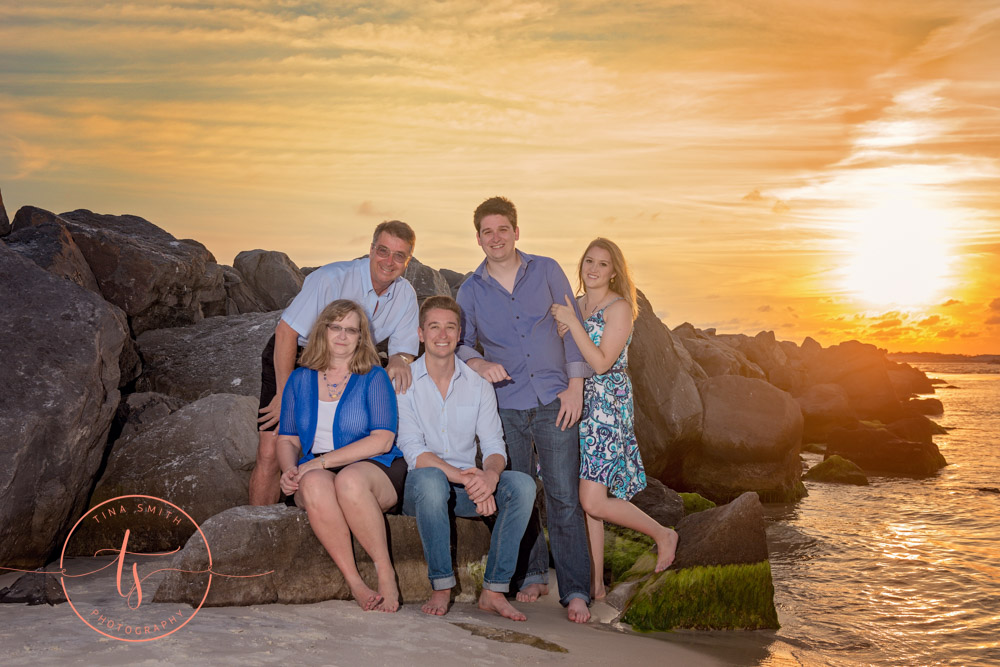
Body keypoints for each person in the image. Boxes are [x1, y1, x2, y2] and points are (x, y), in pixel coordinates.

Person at [456, 196, 592, 623]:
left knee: (564, 497)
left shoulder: (547, 270)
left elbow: (572, 328)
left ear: (517, 231)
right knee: (520, 493)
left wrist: (575, 388)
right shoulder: (470, 289)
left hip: (555, 399)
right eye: (486, 231)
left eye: (502, 229)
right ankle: (533, 572)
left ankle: (575, 590)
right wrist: (477, 362)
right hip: (506, 406)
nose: (495, 238)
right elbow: (460, 341)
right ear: (478, 238)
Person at [250, 221, 419, 505]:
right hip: (299, 353)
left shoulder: (405, 294)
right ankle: (255, 528)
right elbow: (286, 332)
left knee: (345, 436)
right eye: (383, 251)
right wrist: (284, 392)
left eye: (399, 255)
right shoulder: (331, 278)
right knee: (271, 448)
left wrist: (402, 359)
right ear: (370, 250)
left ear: (408, 261)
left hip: (350, 360)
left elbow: (404, 350)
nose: (389, 262)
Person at [550, 238, 679, 599]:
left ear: (614, 272)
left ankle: (662, 534)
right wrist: (563, 326)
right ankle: (596, 585)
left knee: (592, 500)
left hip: (607, 403)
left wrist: (572, 325)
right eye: (588, 260)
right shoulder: (574, 304)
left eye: (602, 264)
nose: (593, 268)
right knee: (588, 495)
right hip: (577, 401)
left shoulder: (619, 308)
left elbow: (603, 361)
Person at [397, 296, 537, 620]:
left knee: (523, 486)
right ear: (420, 333)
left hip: (466, 487)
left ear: (460, 334)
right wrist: (469, 480)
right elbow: (414, 451)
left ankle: (494, 589)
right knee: (432, 482)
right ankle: (442, 586)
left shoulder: (478, 386)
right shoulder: (404, 382)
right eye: (434, 327)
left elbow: (493, 446)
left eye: (450, 327)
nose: (442, 335)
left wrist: (489, 479)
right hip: (422, 487)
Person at [276, 299, 406, 612]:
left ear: (361, 338)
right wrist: (290, 470)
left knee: (348, 480)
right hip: (315, 469)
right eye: (336, 327)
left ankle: (385, 572)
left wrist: (319, 462)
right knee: (315, 484)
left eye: (351, 330)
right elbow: (288, 437)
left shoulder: (373, 377)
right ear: (323, 330)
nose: (343, 336)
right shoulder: (299, 378)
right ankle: (354, 581)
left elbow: (382, 440)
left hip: (375, 467)